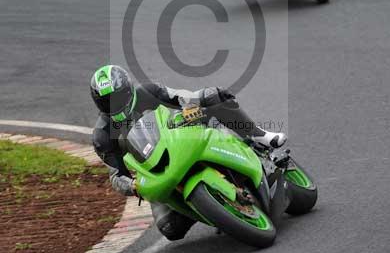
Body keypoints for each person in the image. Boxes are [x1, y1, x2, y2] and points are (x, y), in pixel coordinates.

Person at [91, 65, 287, 241]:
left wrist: (200, 98)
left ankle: (259, 136)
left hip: (182, 136)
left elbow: (180, 96)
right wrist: (132, 186)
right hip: (156, 170)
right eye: (106, 101)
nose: (114, 104)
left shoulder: (148, 92)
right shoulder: (102, 135)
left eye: (117, 97)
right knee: (170, 229)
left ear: (128, 90)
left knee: (214, 97)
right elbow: (116, 175)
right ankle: (218, 209)